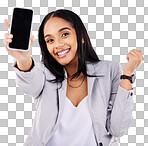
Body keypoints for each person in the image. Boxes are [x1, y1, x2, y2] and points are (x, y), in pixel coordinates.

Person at [3, 9, 144, 146]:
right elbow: (30, 86)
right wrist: (23, 58)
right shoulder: (42, 71)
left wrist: (128, 74)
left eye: (64, 34)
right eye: (50, 40)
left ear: (81, 36)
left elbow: (118, 129)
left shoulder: (109, 70)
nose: (58, 44)